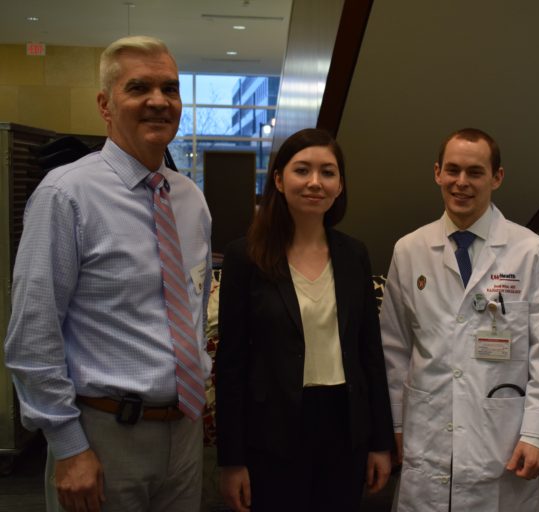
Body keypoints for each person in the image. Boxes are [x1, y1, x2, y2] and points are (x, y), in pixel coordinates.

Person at [3, 35, 211, 512]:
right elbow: (33, 335)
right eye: (139, 88)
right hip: (102, 435)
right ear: (105, 104)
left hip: (183, 434)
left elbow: (192, 309)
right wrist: (68, 444)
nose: (159, 101)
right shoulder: (65, 196)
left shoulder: (190, 199)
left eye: (170, 89)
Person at [380, 128, 539, 511]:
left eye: (475, 172)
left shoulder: (529, 251)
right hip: (426, 428)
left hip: (502, 435)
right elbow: (394, 348)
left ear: (496, 177)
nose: (461, 182)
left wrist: (538, 434)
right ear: (437, 173)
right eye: (452, 170)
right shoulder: (410, 249)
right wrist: (396, 425)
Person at [215, 128, 394, 512]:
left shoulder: (354, 255)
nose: (315, 182)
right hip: (272, 433)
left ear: (340, 184)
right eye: (302, 170)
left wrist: (381, 442)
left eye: (328, 172)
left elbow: (370, 354)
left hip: (345, 428)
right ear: (279, 179)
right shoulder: (245, 257)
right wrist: (231, 460)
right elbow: (230, 364)